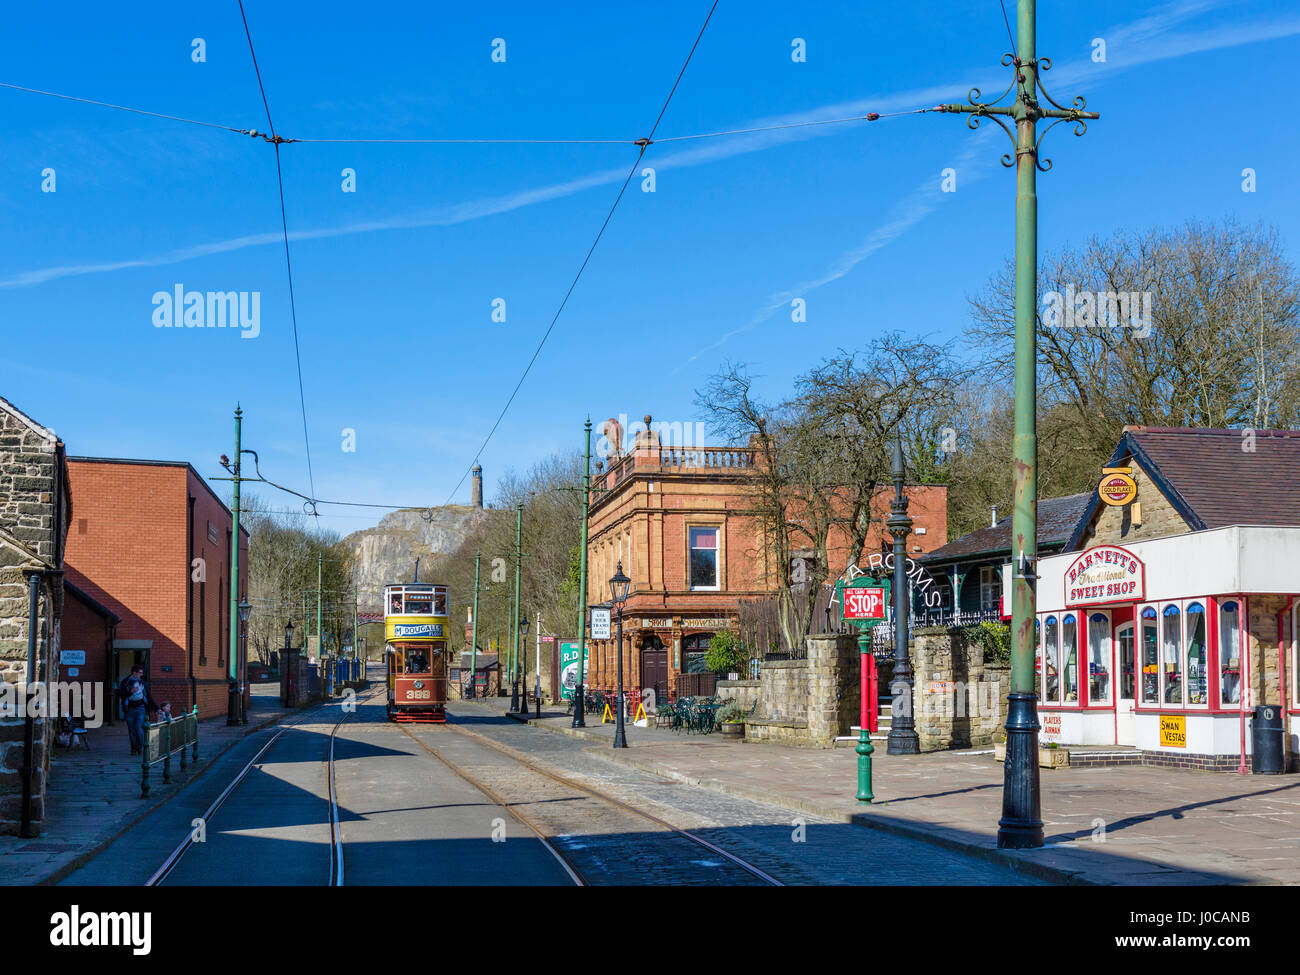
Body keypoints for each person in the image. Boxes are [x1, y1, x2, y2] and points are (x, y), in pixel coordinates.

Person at [118, 665, 159, 756]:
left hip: (141, 708)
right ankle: (133, 749)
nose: (141, 674)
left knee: (139, 729)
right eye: (140, 673)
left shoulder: (142, 682)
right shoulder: (126, 682)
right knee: (132, 730)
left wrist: (157, 708)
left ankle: (139, 747)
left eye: (142, 673)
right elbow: (121, 695)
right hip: (129, 709)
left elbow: (149, 696)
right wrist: (131, 691)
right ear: (134, 673)